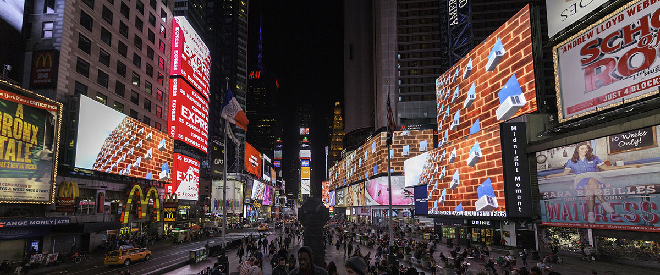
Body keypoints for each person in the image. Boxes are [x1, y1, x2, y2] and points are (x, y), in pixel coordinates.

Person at [543, 142, 643, 223]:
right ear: (577, 149)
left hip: (595, 177)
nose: (585, 150)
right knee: (591, 181)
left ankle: (591, 213)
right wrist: (550, 175)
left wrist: (630, 166)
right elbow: (564, 173)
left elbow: (606, 168)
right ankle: (603, 202)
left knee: (589, 188)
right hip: (580, 179)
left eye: (586, 148)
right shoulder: (571, 161)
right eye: (582, 148)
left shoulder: (594, 158)